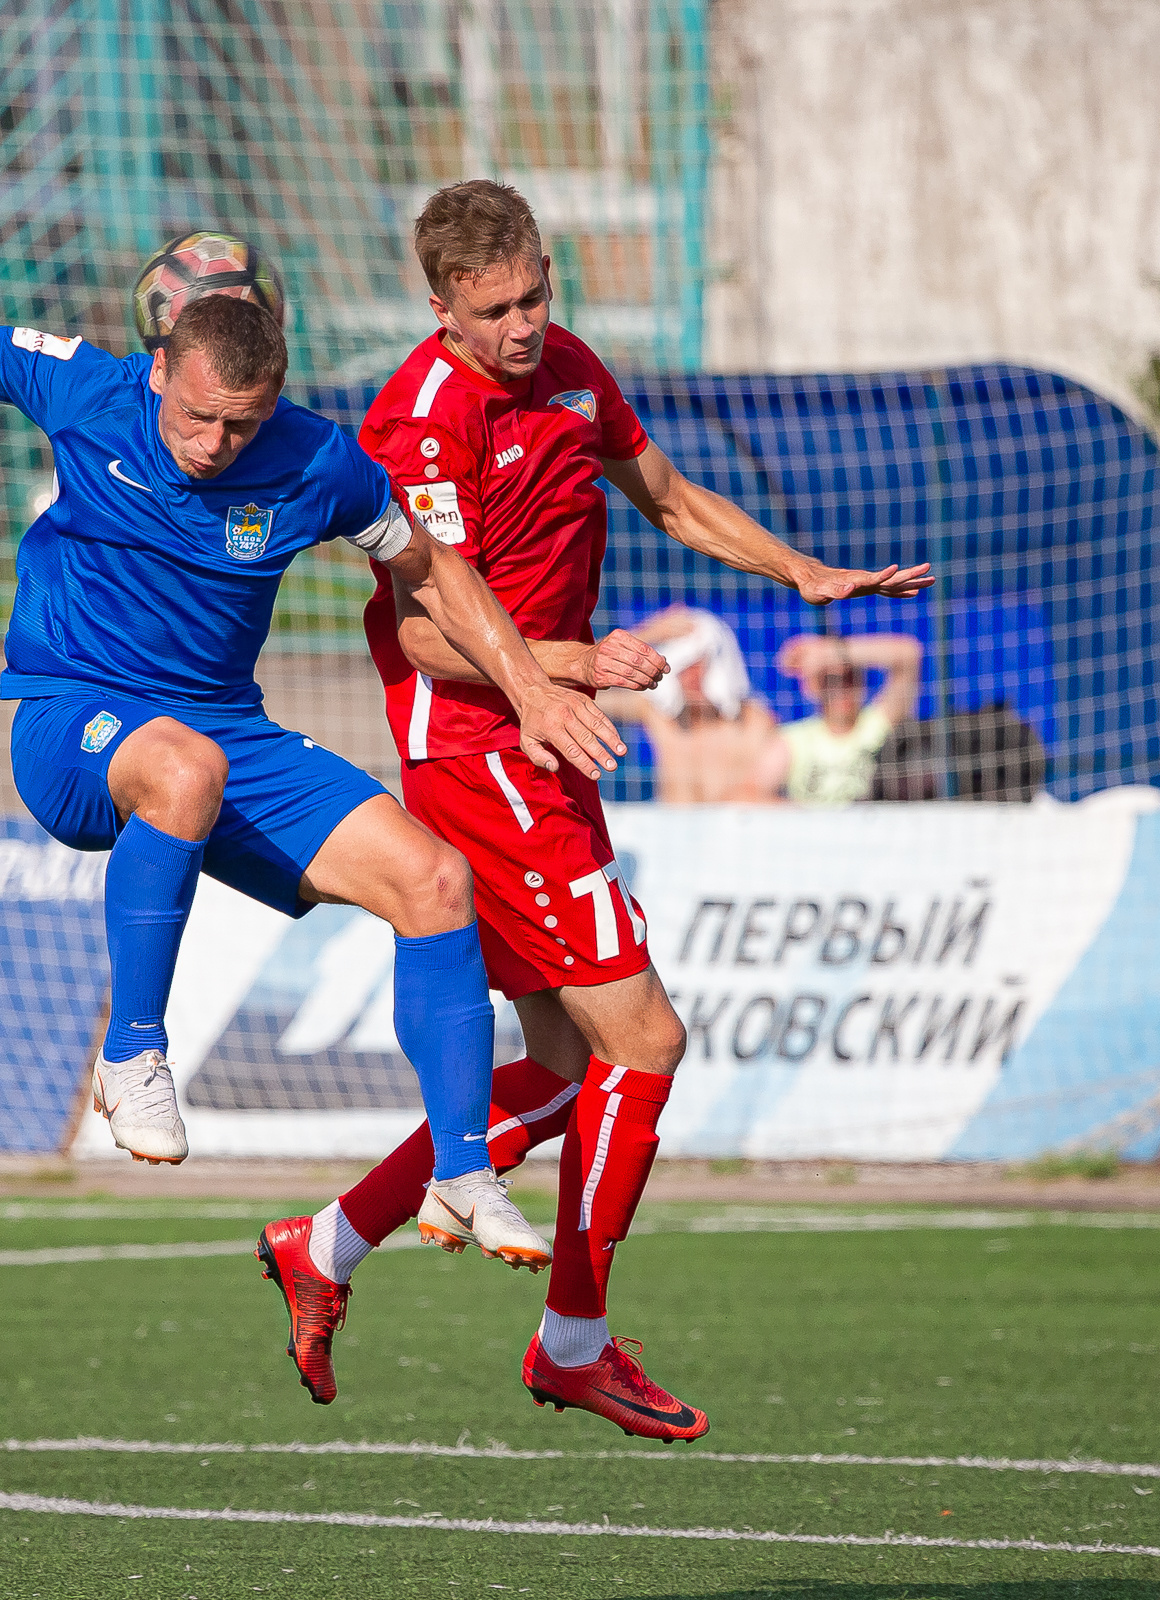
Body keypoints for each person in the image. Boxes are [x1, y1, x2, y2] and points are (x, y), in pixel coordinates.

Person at [0, 123, 629, 1265]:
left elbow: (429, 567)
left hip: (226, 735)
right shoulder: (88, 391)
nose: (214, 445)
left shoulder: (316, 458)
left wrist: (528, 681)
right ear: (161, 370)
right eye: (195, 417)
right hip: (73, 724)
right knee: (181, 765)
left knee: (435, 879)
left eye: (241, 425)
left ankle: (466, 1172)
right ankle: (132, 1052)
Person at [253, 181, 933, 1438]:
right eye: (496, 308)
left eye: (536, 296)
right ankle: (573, 1341)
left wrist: (803, 570)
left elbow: (667, 495)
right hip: (477, 751)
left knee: (567, 1068)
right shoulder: (418, 422)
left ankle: (330, 1242)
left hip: (549, 744)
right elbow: (419, 633)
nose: (523, 325)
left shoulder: (568, 369)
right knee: (648, 1040)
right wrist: (570, 662)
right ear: (442, 302)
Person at [599, 606, 788, 803]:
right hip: (671, 829)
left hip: (735, 830)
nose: (692, 678)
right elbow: (579, 684)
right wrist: (644, 635)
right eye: (683, 667)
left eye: (700, 666)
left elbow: (763, 798)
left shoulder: (752, 721)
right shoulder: (660, 715)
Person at [775, 631, 923, 806]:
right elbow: (750, 789)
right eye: (830, 679)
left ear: (861, 681)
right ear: (812, 686)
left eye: (848, 677)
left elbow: (909, 654)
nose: (841, 688)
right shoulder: (792, 740)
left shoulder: (878, 724)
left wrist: (829, 653)